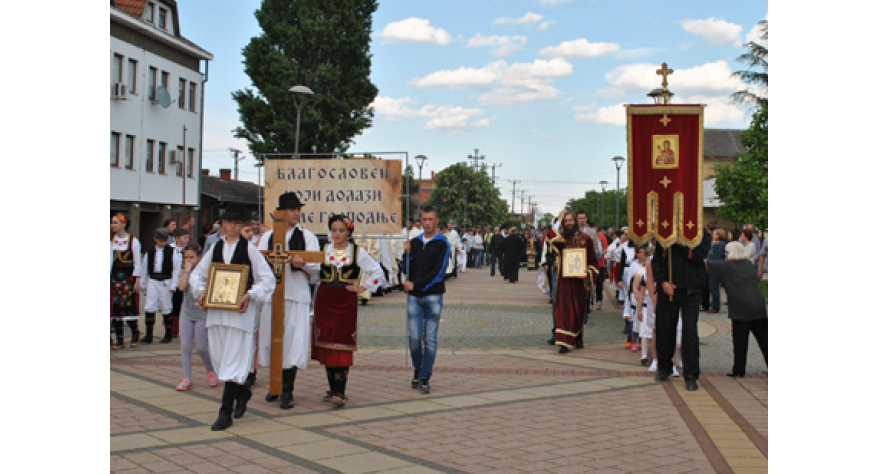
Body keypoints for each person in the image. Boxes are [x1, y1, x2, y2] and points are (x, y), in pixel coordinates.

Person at [190, 202, 275, 431]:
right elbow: (197, 274)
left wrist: (250, 294)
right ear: (223, 224)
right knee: (220, 359)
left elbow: (267, 279)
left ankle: (224, 412)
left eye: (238, 223)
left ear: (243, 225)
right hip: (217, 312)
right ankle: (243, 392)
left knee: (234, 361)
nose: (233, 226)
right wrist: (201, 292)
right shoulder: (215, 248)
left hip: (240, 314)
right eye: (229, 222)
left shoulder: (250, 250)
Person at [312, 215, 386, 407]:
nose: (337, 234)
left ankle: (340, 391)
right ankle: (332, 388)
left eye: (341, 230)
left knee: (342, 341)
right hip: (325, 299)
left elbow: (378, 272)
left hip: (345, 300)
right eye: (334, 230)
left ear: (349, 232)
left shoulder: (356, 252)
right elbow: (311, 270)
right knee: (327, 341)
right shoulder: (323, 250)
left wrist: (362, 287)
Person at [256, 192, 320, 410]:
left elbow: (316, 265)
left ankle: (287, 390)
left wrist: (303, 264)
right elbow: (259, 261)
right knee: (272, 340)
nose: (296, 213)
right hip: (274, 296)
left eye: (298, 209)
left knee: (293, 343)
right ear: (281, 212)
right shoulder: (269, 237)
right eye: (292, 209)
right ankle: (274, 386)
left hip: (296, 294)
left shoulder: (307, 236)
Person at [651, 230, 711, 391]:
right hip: (668, 290)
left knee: (689, 331)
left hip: (692, 290)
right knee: (665, 329)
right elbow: (656, 261)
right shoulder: (665, 231)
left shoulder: (702, 234)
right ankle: (664, 367)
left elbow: (698, 257)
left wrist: (682, 243)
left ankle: (691, 374)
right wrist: (662, 282)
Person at [403, 206, 450, 394]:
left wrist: (418, 285)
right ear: (420, 221)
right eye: (424, 219)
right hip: (414, 297)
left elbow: (439, 273)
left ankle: (425, 376)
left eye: (431, 219)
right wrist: (405, 254)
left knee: (429, 338)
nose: (427, 223)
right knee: (414, 338)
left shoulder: (442, 243)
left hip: (433, 296)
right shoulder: (414, 242)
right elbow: (406, 269)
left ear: (436, 220)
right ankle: (418, 367)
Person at [706, 241, 768, 377]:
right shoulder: (748, 264)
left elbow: (706, 264)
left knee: (740, 341)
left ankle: (739, 371)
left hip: (741, 309)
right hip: (759, 306)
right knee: (765, 340)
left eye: (726, 253)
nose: (725, 255)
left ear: (729, 254)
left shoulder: (727, 266)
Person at [547, 211, 599, 353]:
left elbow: (593, 261)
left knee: (578, 311)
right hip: (564, 281)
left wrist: (587, 274)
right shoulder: (561, 239)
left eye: (571, 220)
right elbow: (549, 238)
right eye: (566, 221)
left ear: (575, 221)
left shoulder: (586, 239)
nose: (569, 223)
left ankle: (578, 336)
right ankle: (564, 342)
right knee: (563, 311)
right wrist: (559, 218)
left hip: (579, 282)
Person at [175, 243, 219, 391]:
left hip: (201, 314)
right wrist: (187, 271)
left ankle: (211, 370)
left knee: (202, 347)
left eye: (192, 257)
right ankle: (187, 378)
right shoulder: (183, 272)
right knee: (185, 346)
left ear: (200, 258)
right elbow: (181, 287)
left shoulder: (205, 273)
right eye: (186, 257)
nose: (189, 260)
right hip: (186, 314)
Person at [141, 228, 182, 344]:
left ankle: (168, 334)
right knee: (150, 306)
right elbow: (144, 271)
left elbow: (176, 269)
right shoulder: (150, 252)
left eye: (164, 240)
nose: (162, 243)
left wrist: (173, 285)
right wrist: (143, 286)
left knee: (166, 306)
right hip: (153, 280)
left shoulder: (172, 251)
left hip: (166, 280)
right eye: (160, 240)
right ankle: (148, 335)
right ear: (155, 239)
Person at [111, 213, 143, 350]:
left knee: (128, 306)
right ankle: (119, 339)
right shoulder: (110, 241)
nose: (112, 225)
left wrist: (137, 280)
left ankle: (135, 333)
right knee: (115, 308)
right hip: (114, 278)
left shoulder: (133, 241)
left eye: (115, 222)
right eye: (112, 222)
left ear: (124, 224)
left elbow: (137, 262)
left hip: (128, 278)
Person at [706, 229, 727, 314]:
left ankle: (716, 306)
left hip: (716, 268)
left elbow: (717, 256)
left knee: (714, 287)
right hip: (710, 268)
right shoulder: (714, 244)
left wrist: (709, 261)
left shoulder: (721, 245)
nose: (713, 236)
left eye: (714, 234)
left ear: (719, 236)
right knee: (711, 286)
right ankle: (713, 303)